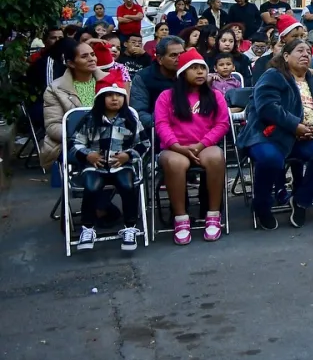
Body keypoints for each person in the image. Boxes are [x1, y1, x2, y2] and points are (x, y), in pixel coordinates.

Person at [238, 39, 313, 229]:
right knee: (271, 159)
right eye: (300, 51)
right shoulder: (273, 76)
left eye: (309, 51)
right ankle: (261, 205)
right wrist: (295, 126)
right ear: (285, 56)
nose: (306, 54)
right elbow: (267, 107)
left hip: (306, 136)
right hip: (269, 135)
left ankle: (301, 201)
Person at [154, 49, 229, 244]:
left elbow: (222, 124)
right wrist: (177, 146)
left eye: (202, 68)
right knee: (176, 164)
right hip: (174, 148)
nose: (200, 73)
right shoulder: (166, 96)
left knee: (216, 157)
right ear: (182, 73)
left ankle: (213, 215)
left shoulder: (215, 96)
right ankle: (181, 218)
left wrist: (201, 144)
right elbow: (161, 124)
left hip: (203, 146)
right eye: (194, 68)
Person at [69, 72, 149, 251]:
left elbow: (144, 144)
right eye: (110, 95)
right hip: (94, 166)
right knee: (91, 187)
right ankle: (87, 227)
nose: (115, 99)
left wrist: (129, 155)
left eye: (119, 95)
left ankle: (130, 227)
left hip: (121, 165)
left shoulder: (130, 120)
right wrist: (88, 154)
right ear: (100, 98)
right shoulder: (90, 120)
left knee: (128, 186)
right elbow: (75, 143)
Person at [41, 40, 107, 170]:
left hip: (109, 140)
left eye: (93, 54)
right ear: (70, 63)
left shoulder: (109, 81)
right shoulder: (55, 89)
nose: (91, 59)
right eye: (84, 56)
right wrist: (84, 136)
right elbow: (53, 126)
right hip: (73, 143)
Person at [131, 37, 186, 123]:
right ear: (160, 59)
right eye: (173, 55)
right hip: (156, 128)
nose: (179, 58)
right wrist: (168, 123)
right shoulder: (143, 77)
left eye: (182, 54)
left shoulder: (189, 74)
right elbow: (138, 113)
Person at [250, 15, 308, 84]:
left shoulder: (305, 56)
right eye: (294, 36)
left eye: (301, 36)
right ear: (283, 38)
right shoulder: (263, 62)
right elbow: (259, 85)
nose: (299, 40)